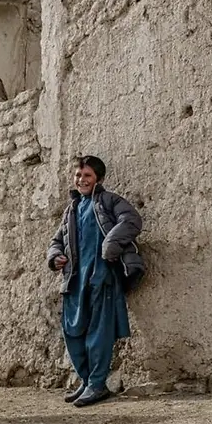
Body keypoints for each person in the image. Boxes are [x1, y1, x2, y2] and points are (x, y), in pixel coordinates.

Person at [46, 155, 144, 407]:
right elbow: (56, 241)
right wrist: (55, 256)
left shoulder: (109, 201)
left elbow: (132, 220)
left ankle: (97, 385)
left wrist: (111, 243)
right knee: (72, 331)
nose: (82, 180)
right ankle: (86, 379)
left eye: (87, 175)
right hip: (75, 280)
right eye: (78, 175)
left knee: (99, 333)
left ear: (98, 178)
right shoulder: (72, 209)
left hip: (102, 277)